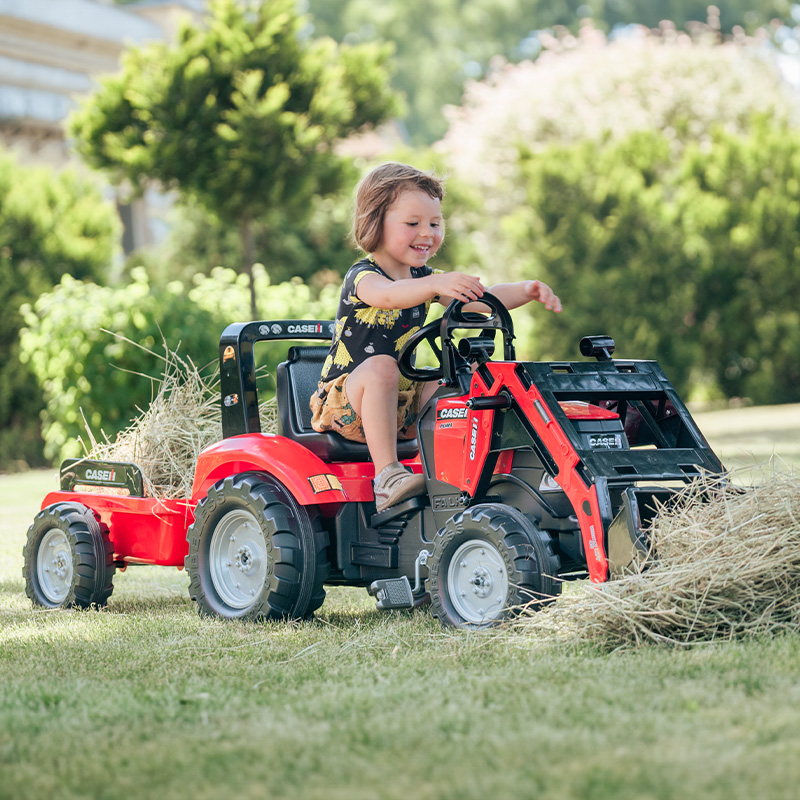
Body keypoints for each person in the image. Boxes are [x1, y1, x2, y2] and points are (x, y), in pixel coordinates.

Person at [310, 162, 562, 513]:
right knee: (382, 366)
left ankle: (469, 474)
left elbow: (481, 302)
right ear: (375, 222)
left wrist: (526, 290)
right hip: (345, 403)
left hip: (400, 401)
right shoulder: (363, 276)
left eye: (434, 223)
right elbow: (389, 295)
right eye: (412, 224)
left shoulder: (424, 278)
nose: (427, 233)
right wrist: (434, 285)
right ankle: (386, 477)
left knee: (459, 385)